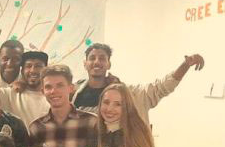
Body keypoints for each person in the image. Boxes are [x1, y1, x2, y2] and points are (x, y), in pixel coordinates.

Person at [72, 43, 205, 122]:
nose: (96, 62)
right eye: (92, 58)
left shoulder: (128, 94)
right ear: (85, 63)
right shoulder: (73, 93)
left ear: (109, 64)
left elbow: (160, 88)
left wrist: (185, 65)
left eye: (102, 58)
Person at [0, 51, 51, 129]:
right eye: (28, 66)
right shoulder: (9, 94)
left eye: (38, 66)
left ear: (46, 70)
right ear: (22, 71)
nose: (33, 70)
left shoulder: (53, 97)